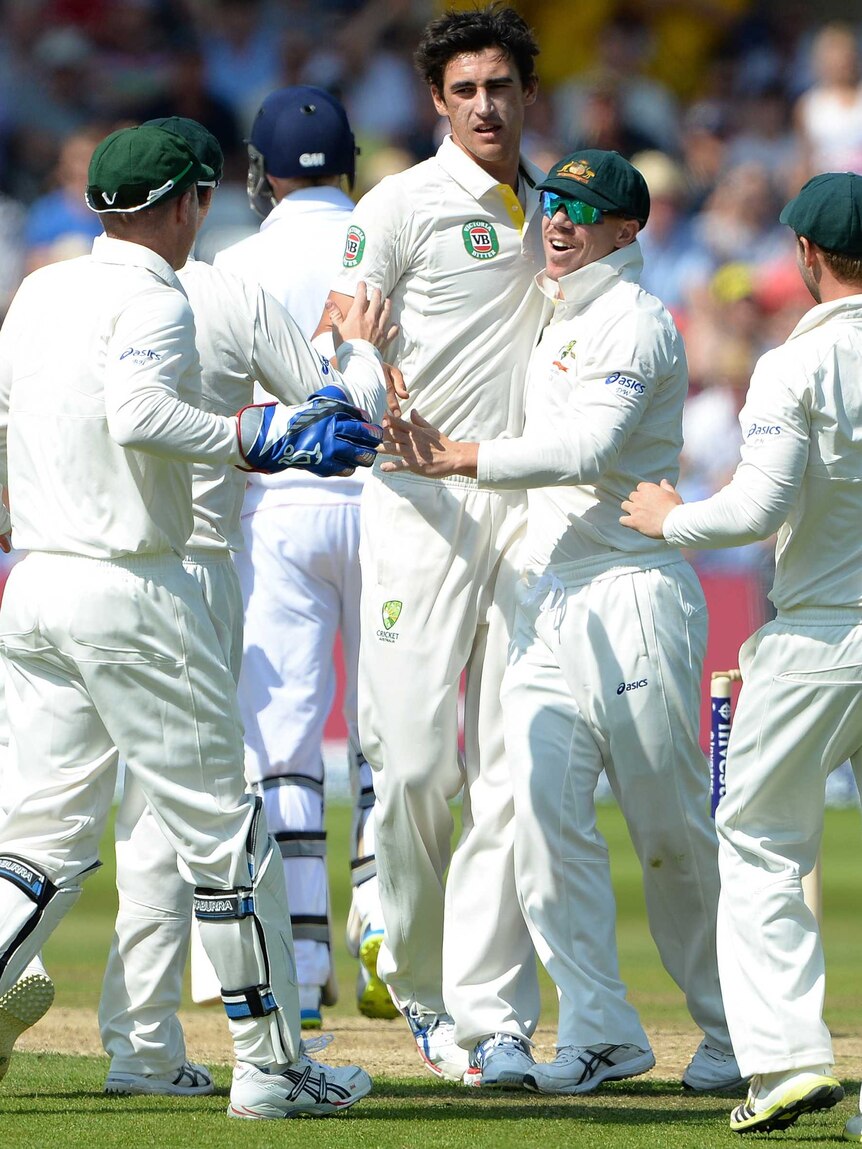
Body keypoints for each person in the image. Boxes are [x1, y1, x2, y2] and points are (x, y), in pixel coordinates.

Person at [0, 123, 380, 1118]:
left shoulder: (39, 290)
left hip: (37, 579)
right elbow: (146, 412)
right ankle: (270, 1068)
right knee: (225, 841)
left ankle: (161, 1046)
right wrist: (254, 431)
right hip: (150, 582)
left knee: (39, 844)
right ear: (189, 204)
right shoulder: (167, 297)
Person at [381, 147, 744, 1094]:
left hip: (632, 594)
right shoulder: (560, 305)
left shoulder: (634, 319)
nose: (558, 221)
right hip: (551, 601)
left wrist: (458, 457)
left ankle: (738, 1026)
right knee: (539, 818)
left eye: (583, 211)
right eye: (552, 204)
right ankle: (601, 1027)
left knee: (667, 827)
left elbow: (588, 444)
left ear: (629, 230)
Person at [317, 5, 549, 1086]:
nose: (485, 106)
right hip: (414, 504)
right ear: (437, 102)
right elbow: (339, 327)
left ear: (524, 93)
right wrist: (370, 377)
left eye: (500, 86)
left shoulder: (554, 205)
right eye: (465, 90)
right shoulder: (399, 204)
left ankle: (492, 1014)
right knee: (414, 765)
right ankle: (399, 954)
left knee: (513, 771)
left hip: (518, 507)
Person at [620, 171, 862, 1136]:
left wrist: (674, 517)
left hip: (818, 633)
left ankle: (788, 1061)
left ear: (804, 256)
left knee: (760, 841)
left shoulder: (793, 365)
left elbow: (756, 508)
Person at [214, 85, 395, 1027]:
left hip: (277, 503)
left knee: (280, 739)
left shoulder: (236, 260)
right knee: (384, 729)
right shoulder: (385, 236)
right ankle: (386, 932)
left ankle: (305, 961)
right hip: (386, 499)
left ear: (261, 172)